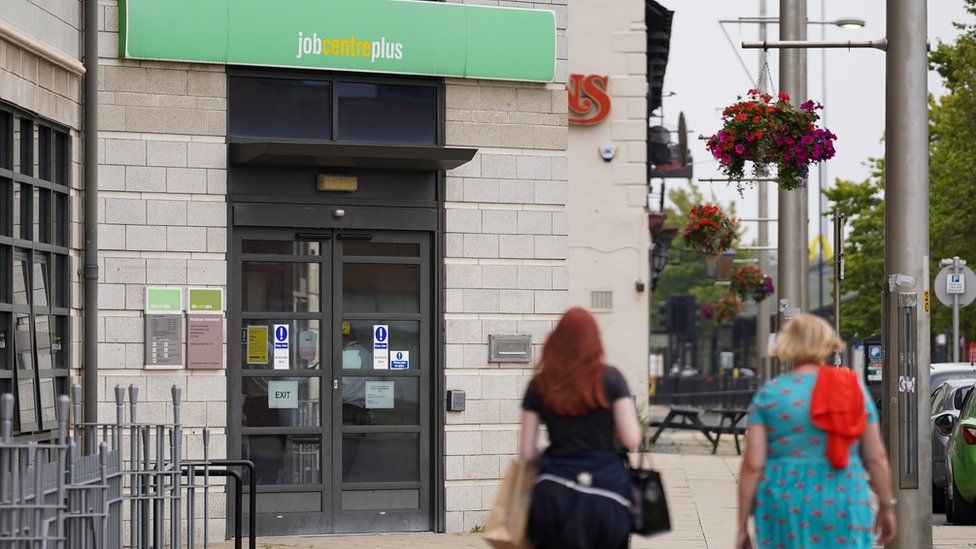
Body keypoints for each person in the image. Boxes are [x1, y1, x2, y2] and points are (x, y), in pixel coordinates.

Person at [736, 314, 897, 549]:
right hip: (843, 495)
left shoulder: (770, 393)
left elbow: (753, 464)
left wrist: (741, 525)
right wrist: (886, 505)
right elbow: (875, 457)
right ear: (828, 343)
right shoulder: (853, 390)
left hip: (784, 500)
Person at [519, 307, 642, 549]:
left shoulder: (539, 385)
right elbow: (632, 439)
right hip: (607, 491)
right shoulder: (612, 379)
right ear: (595, 341)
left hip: (554, 491)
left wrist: (550, 449)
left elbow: (527, 453)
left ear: (555, 340)